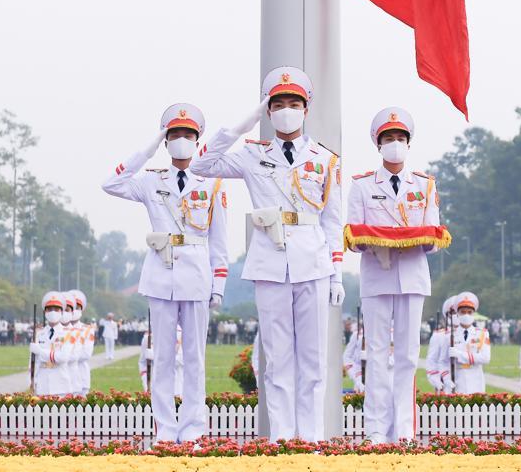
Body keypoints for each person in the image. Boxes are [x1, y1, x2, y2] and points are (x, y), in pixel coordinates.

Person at [190, 66, 343, 441]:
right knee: (276, 357)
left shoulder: (324, 159)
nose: (286, 110)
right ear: (268, 110)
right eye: (278, 104)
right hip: (270, 262)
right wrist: (244, 124)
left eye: (294, 103)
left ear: (306, 110)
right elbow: (200, 164)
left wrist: (337, 272)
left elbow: (333, 220)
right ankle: (281, 436)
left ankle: (310, 438)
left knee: (313, 357)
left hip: (312, 260)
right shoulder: (251, 154)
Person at [103, 102, 229, 443]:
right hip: (160, 274)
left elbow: (219, 240)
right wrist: (147, 148)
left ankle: (192, 429)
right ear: (166, 140)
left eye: (188, 134)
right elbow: (112, 183)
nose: (182, 140)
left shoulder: (212, 183)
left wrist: (219, 282)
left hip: (197, 276)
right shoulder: (150, 180)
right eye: (174, 134)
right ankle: (164, 430)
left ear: (197, 138)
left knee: (194, 359)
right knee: (162, 358)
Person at [344, 107, 441, 443]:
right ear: (379, 144)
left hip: (413, 275)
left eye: (400, 138)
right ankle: (375, 430)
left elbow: (433, 236)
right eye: (389, 139)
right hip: (377, 275)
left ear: (408, 144)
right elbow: (354, 236)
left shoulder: (425, 185)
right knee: (377, 355)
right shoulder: (361, 186)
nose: (395, 144)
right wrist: (379, 243)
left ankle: (404, 428)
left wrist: (415, 240)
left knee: (407, 356)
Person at [30, 291, 73, 396]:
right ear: (45, 312)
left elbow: (63, 357)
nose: (52, 312)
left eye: (56, 309)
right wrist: (32, 381)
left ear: (61, 312)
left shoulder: (68, 333)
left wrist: (41, 352)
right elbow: (33, 362)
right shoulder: (39, 334)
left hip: (60, 384)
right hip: (42, 384)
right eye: (49, 309)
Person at [139, 326, 184, 394]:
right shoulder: (148, 336)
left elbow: (180, 360)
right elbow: (142, 363)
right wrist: (146, 384)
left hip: (177, 387)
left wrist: (155, 356)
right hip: (155, 386)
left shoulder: (181, 333)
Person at [425, 296, 455, 393]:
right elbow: (432, 361)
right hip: (445, 383)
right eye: (453, 313)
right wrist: (437, 381)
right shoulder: (439, 335)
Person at [69, 290, 95, 395]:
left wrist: (63, 356)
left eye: (77, 308)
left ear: (81, 310)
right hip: (62, 378)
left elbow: (86, 354)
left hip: (81, 376)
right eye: (72, 308)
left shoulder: (87, 330)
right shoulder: (60, 329)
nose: (74, 311)